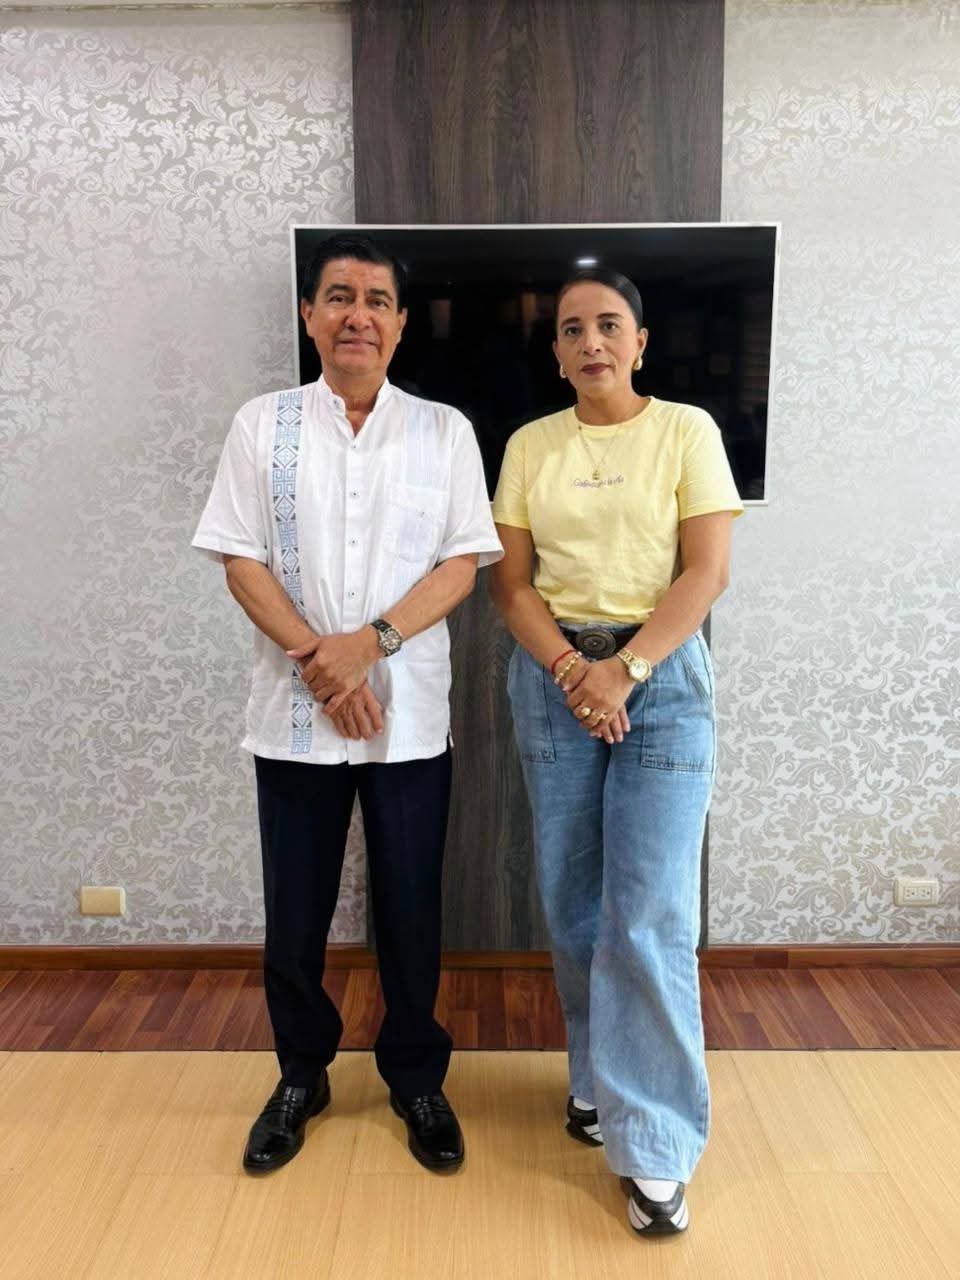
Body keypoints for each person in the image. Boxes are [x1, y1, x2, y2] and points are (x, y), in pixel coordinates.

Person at [192, 232, 502, 1175]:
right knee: (295, 912)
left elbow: (461, 563)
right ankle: (301, 1074)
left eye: (376, 300)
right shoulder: (262, 424)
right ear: (309, 315)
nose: (356, 315)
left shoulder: (444, 431)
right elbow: (239, 557)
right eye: (338, 297)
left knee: (411, 906)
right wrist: (320, 666)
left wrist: (368, 647)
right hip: (294, 718)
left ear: (401, 324)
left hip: (407, 717)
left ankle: (415, 1076)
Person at [489, 267, 742, 1237]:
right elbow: (513, 586)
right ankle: (597, 1077)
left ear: (640, 341)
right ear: (555, 353)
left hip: (662, 681)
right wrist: (572, 671)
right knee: (576, 902)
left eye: (608, 324)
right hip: (555, 683)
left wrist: (624, 671)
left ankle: (656, 1145)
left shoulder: (687, 431)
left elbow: (706, 571)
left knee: (650, 912)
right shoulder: (529, 445)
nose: (590, 341)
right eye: (570, 329)